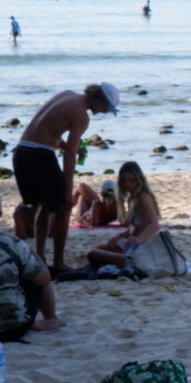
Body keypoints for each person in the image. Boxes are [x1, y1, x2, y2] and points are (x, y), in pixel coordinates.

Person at [13, 83, 118, 270]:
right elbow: (70, 156)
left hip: (21, 152)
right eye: (105, 107)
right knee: (64, 207)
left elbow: (46, 127)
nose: (104, 112)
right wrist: (68, 190)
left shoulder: (67, 95)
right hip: (40, 156)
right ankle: (59, 262)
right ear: (99, 98)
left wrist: (62, 145)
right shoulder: (82, 115)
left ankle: (40, 257)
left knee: (44, 206)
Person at [0, 187, 63, 339]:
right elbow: (44, 278)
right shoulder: (11, 242)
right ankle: (50, 318)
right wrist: (33, 253)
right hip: (14, 328)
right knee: (32, 269)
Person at [87, 161, 162, 267]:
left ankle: (129, 262)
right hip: (132, 245)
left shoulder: (142, 197)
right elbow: (135, 228)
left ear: (138, 179)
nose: (127, 184)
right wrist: (119, 237)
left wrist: (138, 239)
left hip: (142, 249)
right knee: (98, 249)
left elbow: (155, 225)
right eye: (124, 180)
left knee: (93, 254)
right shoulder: (132, 198)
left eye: (131, 180)